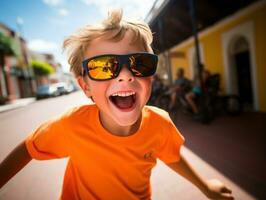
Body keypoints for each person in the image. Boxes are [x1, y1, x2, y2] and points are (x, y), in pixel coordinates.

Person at [0, 10, 234, 200]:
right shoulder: (71, 125)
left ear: (151, 76)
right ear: (86, 87)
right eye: (103, 66)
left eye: (139, 63)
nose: (124, 75)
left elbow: (171, 155)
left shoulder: (160, 123)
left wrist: (204, 186)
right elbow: (30, 147)